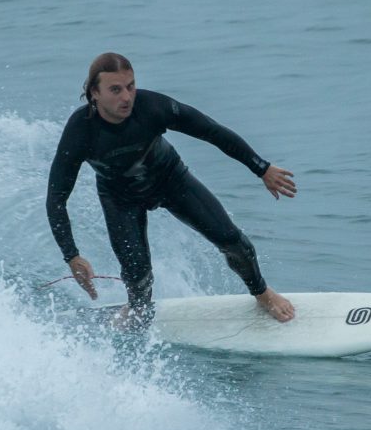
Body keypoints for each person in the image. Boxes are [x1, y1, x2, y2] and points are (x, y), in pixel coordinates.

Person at [46, 52, 297, 327]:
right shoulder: (80, 130)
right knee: (138, 275)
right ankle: (137, 312)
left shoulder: (152, 107)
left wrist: (261, 168)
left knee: (232, 241)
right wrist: (71, 255)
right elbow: (56, 198)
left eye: (131, 86)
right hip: (120, 198)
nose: (127, 97)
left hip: (170, 179)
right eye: (115, 90)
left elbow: (211, 131)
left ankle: (262, 294)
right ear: (94, 92)